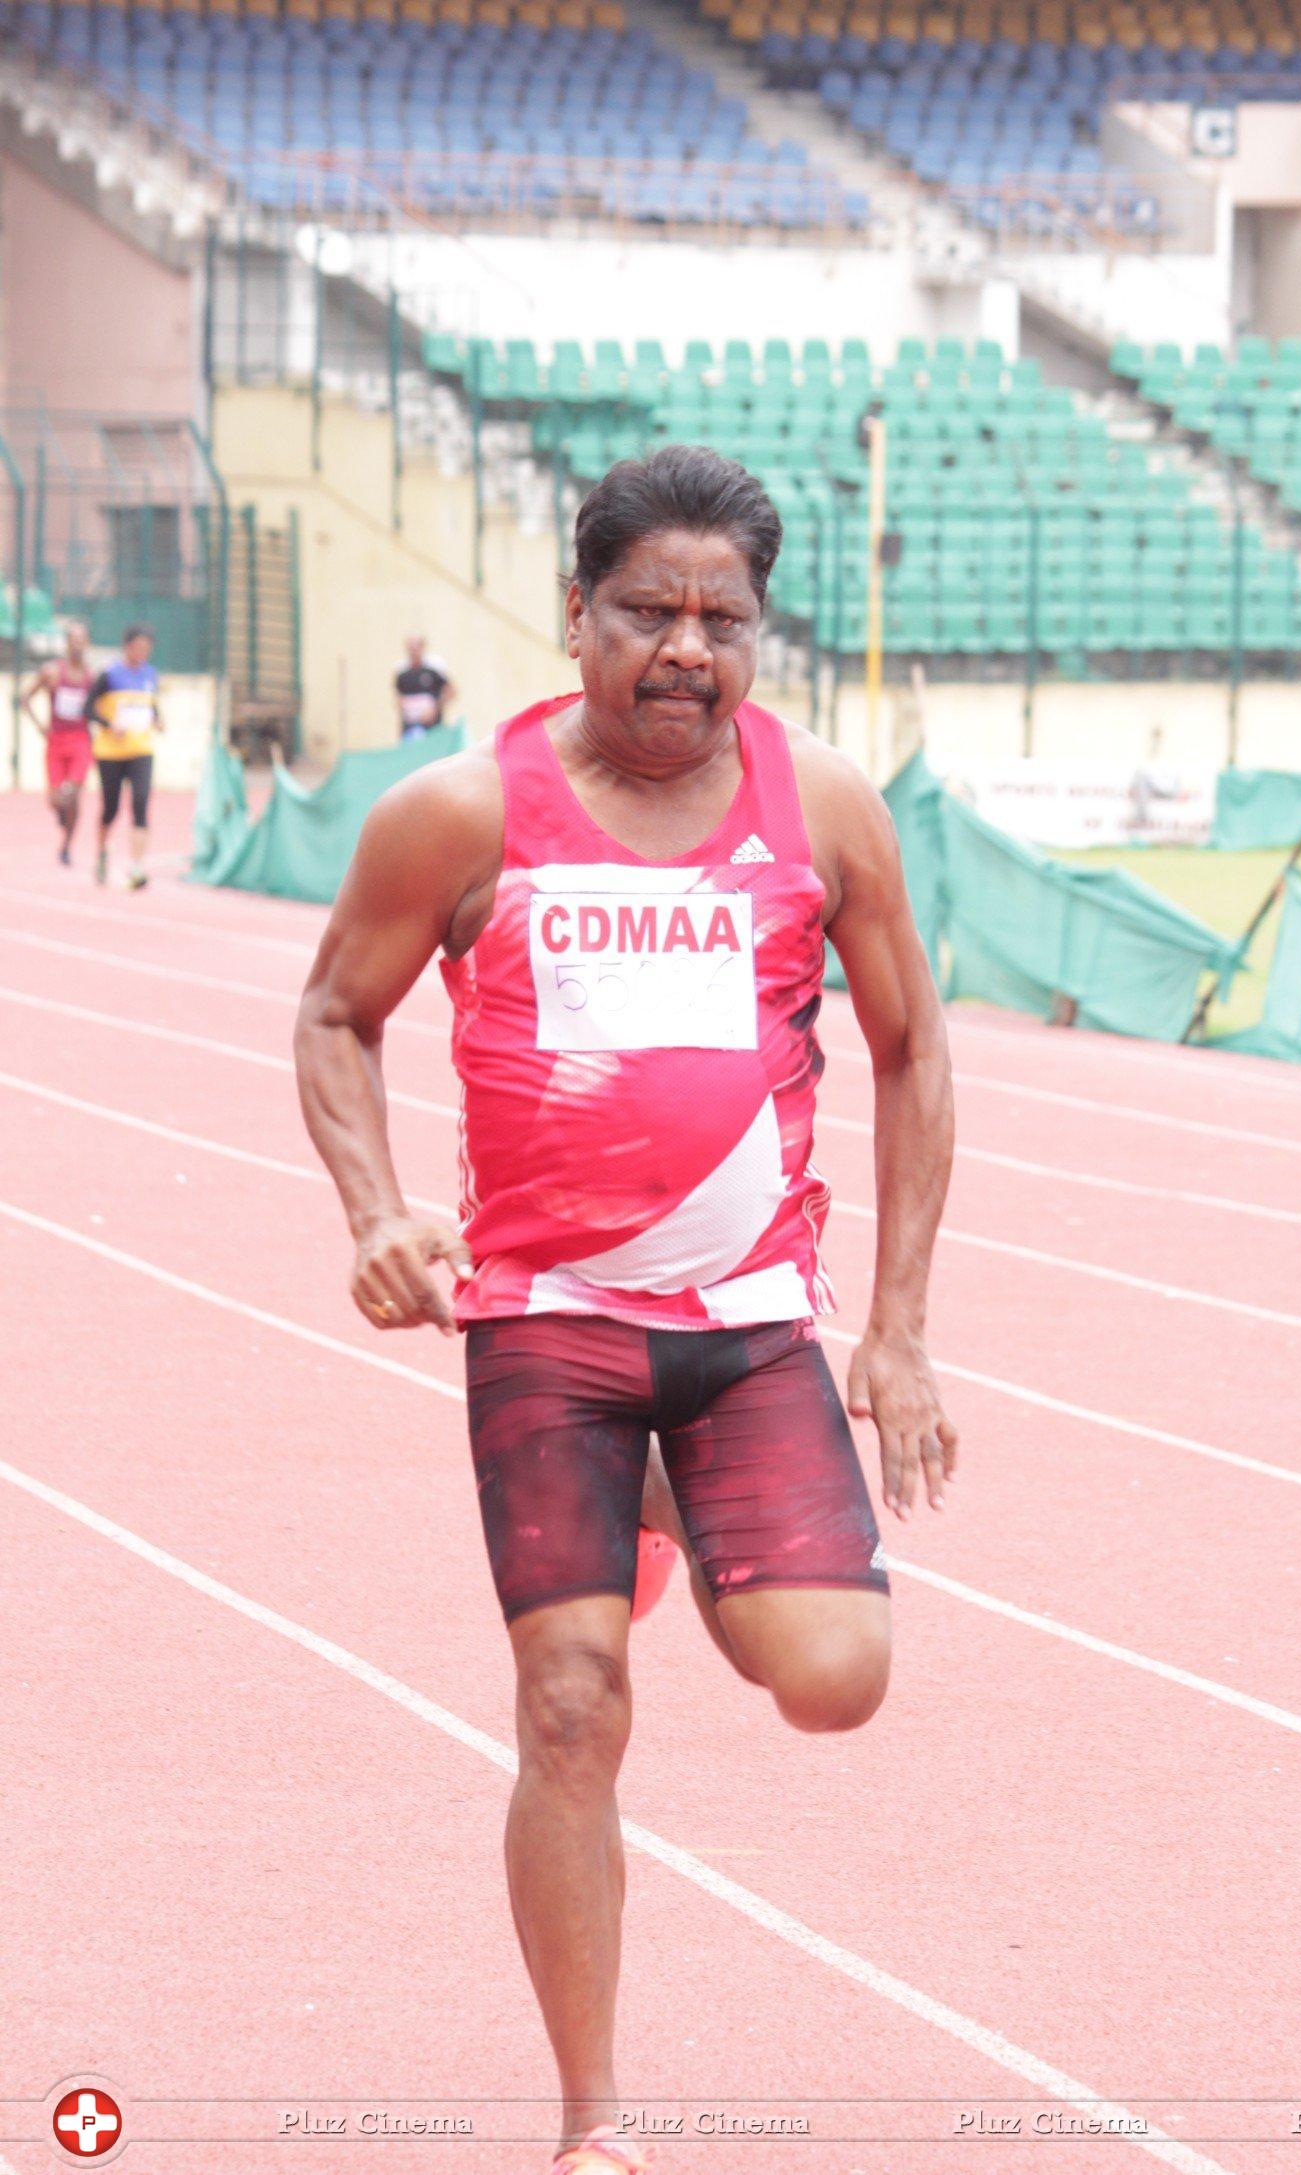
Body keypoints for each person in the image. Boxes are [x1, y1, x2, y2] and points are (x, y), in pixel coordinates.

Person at [295, 447, 958, 2175]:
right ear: (575, 616)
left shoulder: (821, 808)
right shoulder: (462, 813)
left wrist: (895, 1326)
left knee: (835, 1680)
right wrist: (377, 1211)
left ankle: (678, 1495)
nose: (686, 649)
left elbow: (914, 1048)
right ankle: (595, 2121)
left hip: (749, 1328)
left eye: (722, 620)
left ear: (760, 635)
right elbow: (332, 1015)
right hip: (547, 1321)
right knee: (575, 1706)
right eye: (648, 612)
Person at [87, 624, 164, 890]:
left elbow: (152, 706)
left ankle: (137, 866)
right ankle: (102, 851)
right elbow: (89, 709)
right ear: (127, 646)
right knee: (111, 807)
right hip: (110, 752)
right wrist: (109, 725)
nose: (142, 653)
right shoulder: (109, 675)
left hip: (141, 749)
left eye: (147, 649)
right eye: (138, 647)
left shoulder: (150, 675)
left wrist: (158, 720)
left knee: (141, 801)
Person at [22, 619, 93, 865]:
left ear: (88, 644)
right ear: (66, 644)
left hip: (81, 742)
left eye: (82, 641)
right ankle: (64, 813)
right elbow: (24, 697)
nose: (78, 646)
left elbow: (101, 707)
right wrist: (40, 725)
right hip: (56, 742)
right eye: (74, 641)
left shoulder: (91, 677)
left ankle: (66, 846)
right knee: (56, 801)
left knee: (71, 793)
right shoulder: (52, 672)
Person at [394, 635, 456, 740]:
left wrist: (435, 709)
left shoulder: (434, 668)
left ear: (422, 647)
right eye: (410, 647)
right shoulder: (402, 671)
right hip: (410, 728)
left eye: (416, 646)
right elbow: (399, 696)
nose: (413, 650)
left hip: (432, 728)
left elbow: (450, 692)